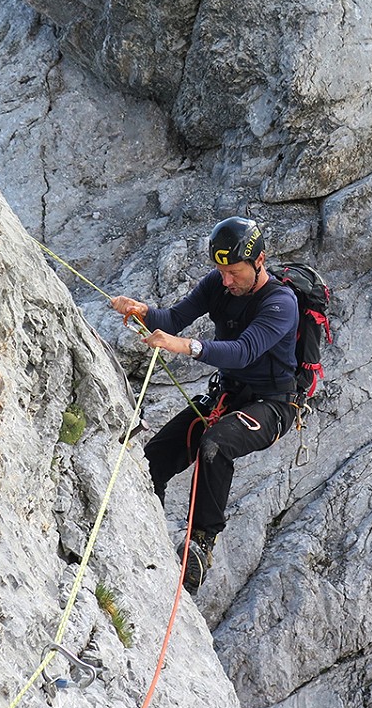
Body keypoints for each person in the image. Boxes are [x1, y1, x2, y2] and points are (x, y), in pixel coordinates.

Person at [109, 216, 298, 592]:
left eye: (234, 272)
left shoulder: (281, 304)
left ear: (259, 260)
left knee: (215, 443)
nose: (227, 281)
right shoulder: (218, 285)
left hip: (272, 405)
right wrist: (142, 312)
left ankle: (200, 542)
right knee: (153, 459)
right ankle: (146, 531)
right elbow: (175, 318)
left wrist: (187, 347)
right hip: (227, 395)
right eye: (221, 271)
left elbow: (244, 352)